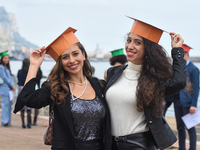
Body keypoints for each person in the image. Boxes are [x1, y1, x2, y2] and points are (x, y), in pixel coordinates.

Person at [13, 27, 111, 150]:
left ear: (84, 55)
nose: (72, 60)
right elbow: (28, 99)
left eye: (75, 54)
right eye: (65, 57)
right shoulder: (55, 88)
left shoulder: (100, 86)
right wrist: (34, 66)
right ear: (60, 62)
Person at [104, 17, 186, 150]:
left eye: (137, 42)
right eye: (129, 40)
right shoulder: (113, 72)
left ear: (148, 48)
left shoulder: (154, 78)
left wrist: (177, 50)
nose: (130, 46)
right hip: (111, 144)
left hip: (138, 144)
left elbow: (179, 82)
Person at [173, 44, 199, 150]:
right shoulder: (178, 68)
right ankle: (181, 148)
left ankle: (192, 148)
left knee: (191, 129)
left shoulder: (194, 69)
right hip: (177, 101)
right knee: (180, 128)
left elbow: (196, 88)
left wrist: (193, 105)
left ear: (186, 54)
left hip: (188, 104)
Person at [0, 50, 15, 126]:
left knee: (9, 105)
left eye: (7, 58)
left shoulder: (7, 67)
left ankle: (8, 121)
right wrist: (12, 85)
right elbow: (5, 78)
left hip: (9, 89)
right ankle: (4, 121)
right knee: (5, 105)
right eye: (5, 58)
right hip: (5, 89)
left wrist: (12, 85)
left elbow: (10, 77)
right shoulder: (1, 67)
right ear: (2, 59)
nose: (6, 59)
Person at [17, 58, 32, 128]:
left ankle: (23, 123)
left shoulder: (19, 71)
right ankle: (29, 124)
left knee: (22, 108)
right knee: (29, 108)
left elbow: (18, 80)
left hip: (21, 89)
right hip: (28, 89)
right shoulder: (30, 72)